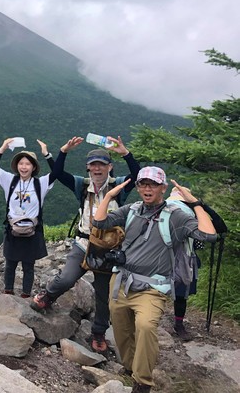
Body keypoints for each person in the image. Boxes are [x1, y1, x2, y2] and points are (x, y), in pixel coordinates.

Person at [92, 167, 217, 393]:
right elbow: (99, 222)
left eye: (153, 184)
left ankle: (143, 382)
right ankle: (130, 368)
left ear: (163, 188)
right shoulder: (131, 210)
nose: (147, 189)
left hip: (152, 287)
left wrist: (196, 204)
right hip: (121, 281)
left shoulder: (176, 216)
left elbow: (208, 235)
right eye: (143, 184)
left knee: (145, 326)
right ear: (138, 187)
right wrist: (108, 196)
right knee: (121, 329)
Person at [31, 135, 140, 354]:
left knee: (103, 293)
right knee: (67, 277)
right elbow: (59, 174)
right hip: (84, 241)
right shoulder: (82, 185)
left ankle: (98, 332)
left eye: (101, 164)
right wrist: (63, 150)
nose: (97, 169)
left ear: (109, 167)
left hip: (109, 247)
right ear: (88, 168)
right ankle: (49, 296)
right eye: (93, 165)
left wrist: (125, 153)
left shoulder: (120, 186)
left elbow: (138, 176)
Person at [0, 138, 55, 298]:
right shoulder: (9, 180)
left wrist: (47, 154)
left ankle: (26, 294)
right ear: (17, 166)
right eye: (21, 163)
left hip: (32, 230)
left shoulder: (41, 183)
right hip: (12, 229)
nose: (24, 167)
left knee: (28, 265)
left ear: (33, 167)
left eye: (27, 164)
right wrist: (3, 148)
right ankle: (8, 292)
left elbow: (57, 172)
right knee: (10, 263)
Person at [166, 186, 227, 341]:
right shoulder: (188, 215)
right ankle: (177, 325)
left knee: (180, 294)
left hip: (176, 257)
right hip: (182, 258)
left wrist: (199, 205)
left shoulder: (192, 215)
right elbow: (221, 228)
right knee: (180, 294)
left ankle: (177, 324)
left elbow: (220, 228)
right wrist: (200, 206)